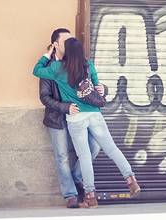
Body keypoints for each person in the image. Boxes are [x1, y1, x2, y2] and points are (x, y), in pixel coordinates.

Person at [33, 37, 141, 208]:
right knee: (112, 148)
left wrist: (48, 54)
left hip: (76, 117)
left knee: (84, 157)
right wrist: (102, 88)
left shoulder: (57, 68)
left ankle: (90, 196)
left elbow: (37, 70)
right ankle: (131, 179)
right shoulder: (88, 65)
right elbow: (98, 88)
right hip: (94, 114)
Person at [40, 28, 101, 208]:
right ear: (55, 45)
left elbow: (91, 85)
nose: (70, 44)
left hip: (83, 114)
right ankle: (70, 194)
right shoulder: (50, 68)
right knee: (62, 156)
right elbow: (44, 97)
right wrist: (65, 107)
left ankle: (76, 178)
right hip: (57, 117)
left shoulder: (79, 62)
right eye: (65, 41)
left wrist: (102, 89)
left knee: (94, 147)